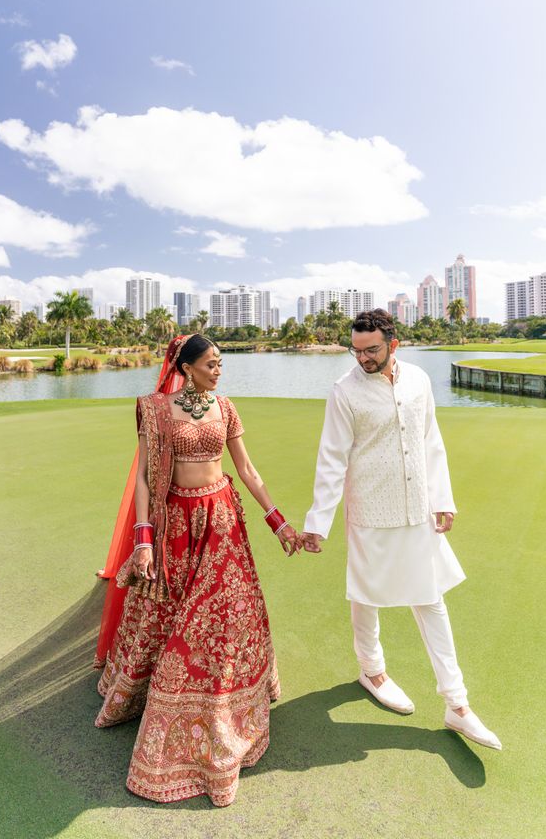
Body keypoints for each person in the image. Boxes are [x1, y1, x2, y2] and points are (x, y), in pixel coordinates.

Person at [94, 334, 302, 806]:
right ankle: (155, 695)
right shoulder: (153, 408)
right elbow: (147, 480)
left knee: (225, 620)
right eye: (210, 363)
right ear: (185, 367)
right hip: (175, 527)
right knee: (168, 618)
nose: (218, 369)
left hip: (223, 521)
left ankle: (224, 707)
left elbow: (247, 470)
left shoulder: (225, 407)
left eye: (221, 362)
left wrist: (280, 524)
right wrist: (143, 542)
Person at [302, 309, 501, 751]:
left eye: (371, 349)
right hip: (370, 510)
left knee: (430, 600)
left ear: (395, 343)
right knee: (366, 595)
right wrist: (319, 522)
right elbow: (332, 459)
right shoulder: (345, 391)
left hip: (419, 510)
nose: (362, 359)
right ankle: (372, 671)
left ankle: (457, 705)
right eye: (355, 351)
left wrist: (443, 498)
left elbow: (431, 440)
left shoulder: (419, 381)